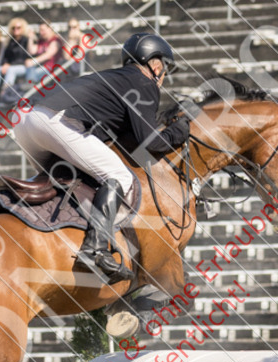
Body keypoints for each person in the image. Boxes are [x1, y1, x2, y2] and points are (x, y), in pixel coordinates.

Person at [12, 33, 188, 283]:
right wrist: (178, 132)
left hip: (27, 121)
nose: (163, 77)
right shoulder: (144, 82)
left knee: (64, 182)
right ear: (156, 66)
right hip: (57, 123)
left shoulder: (117, 78)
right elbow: (150, 143)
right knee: (119, 176)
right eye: (164, 71)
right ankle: (94, 249)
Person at [0, 17, 30, 101]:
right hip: (11, 65)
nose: (15, 30)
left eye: (18, 28)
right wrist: (5, 63)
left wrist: (9, 65)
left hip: (23, 66)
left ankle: (5, 94)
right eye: (13, 28)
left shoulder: (26, 40)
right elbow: (6, 56)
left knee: (10, 70)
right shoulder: (11, 41)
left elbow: (25, 57)